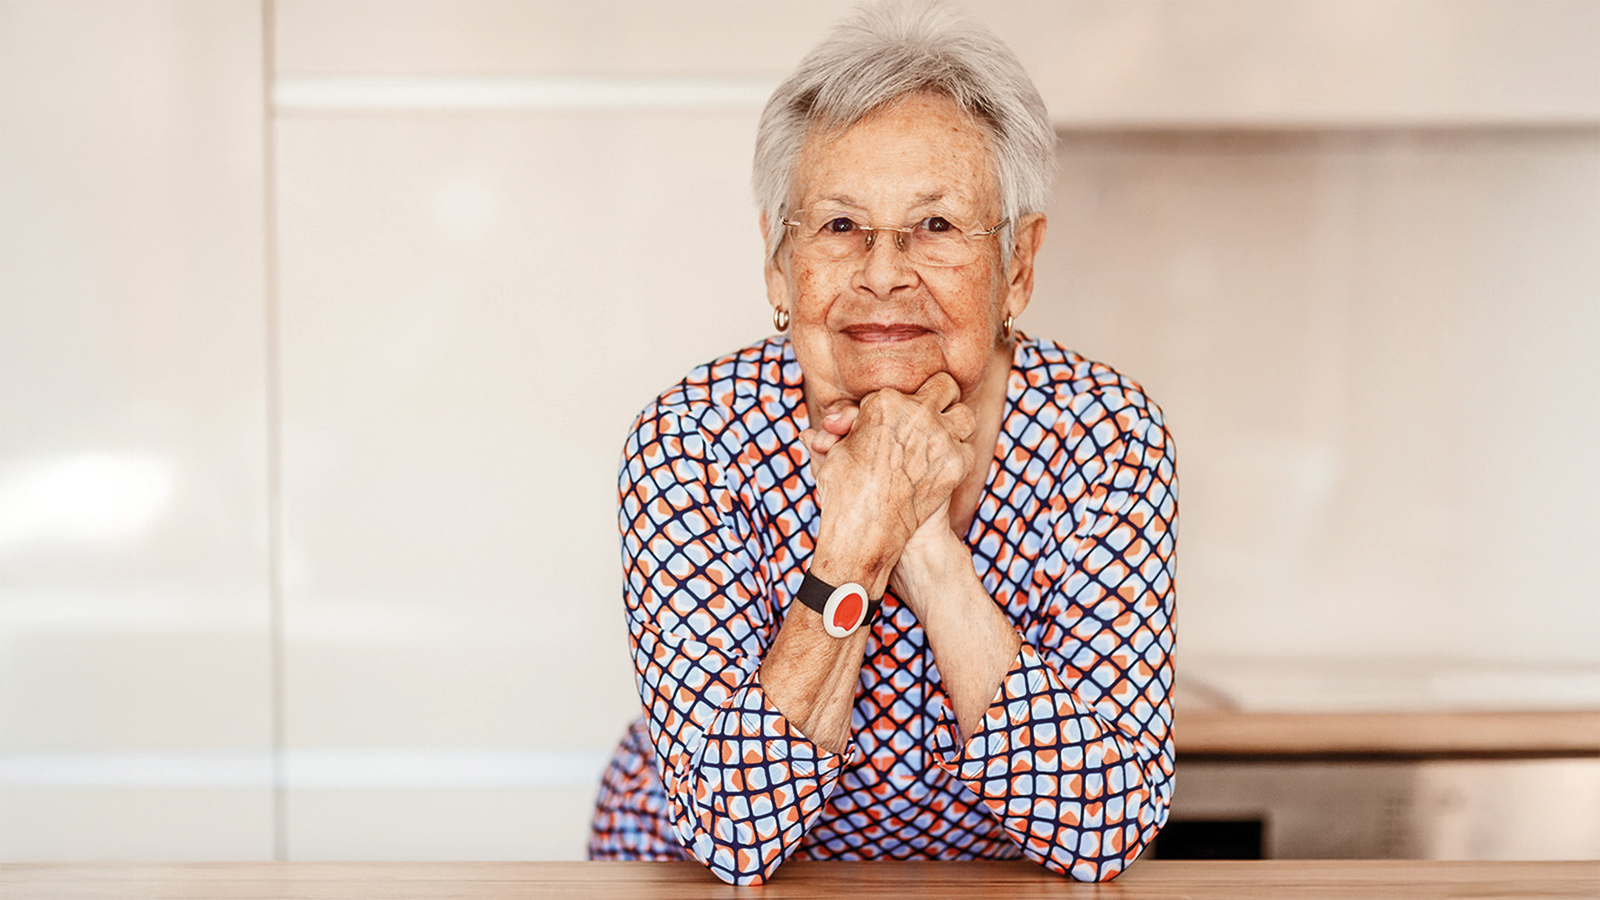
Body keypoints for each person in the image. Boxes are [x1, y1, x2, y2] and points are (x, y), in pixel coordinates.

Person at [588, 0, 1175, 885]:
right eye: (838, 225)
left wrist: (930, 552)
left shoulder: (1109, 438)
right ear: (778, 262)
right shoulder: (692, 443)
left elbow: (1106, 829)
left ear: (1017, 267)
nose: (883, 271)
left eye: (935, 227)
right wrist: (858, 542)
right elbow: (736, 836)